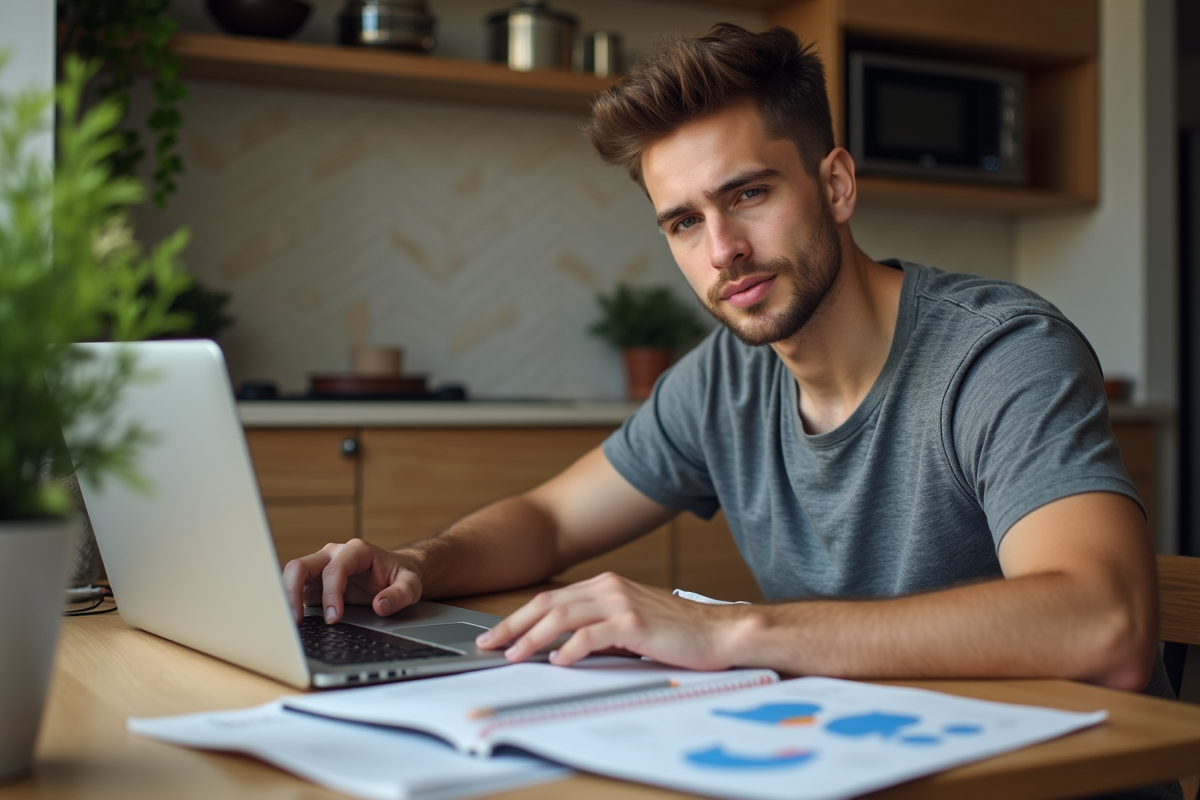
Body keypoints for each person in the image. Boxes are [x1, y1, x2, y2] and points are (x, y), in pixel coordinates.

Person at [283, 25, 1169, 700]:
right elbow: (550, 521)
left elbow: (1106, 623)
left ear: (835, 185)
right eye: (683, 222)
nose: (723, 251)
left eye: (748, 195)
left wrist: (728, 631)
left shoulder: (1000, 354)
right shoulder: (728, 377)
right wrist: (417, 562)